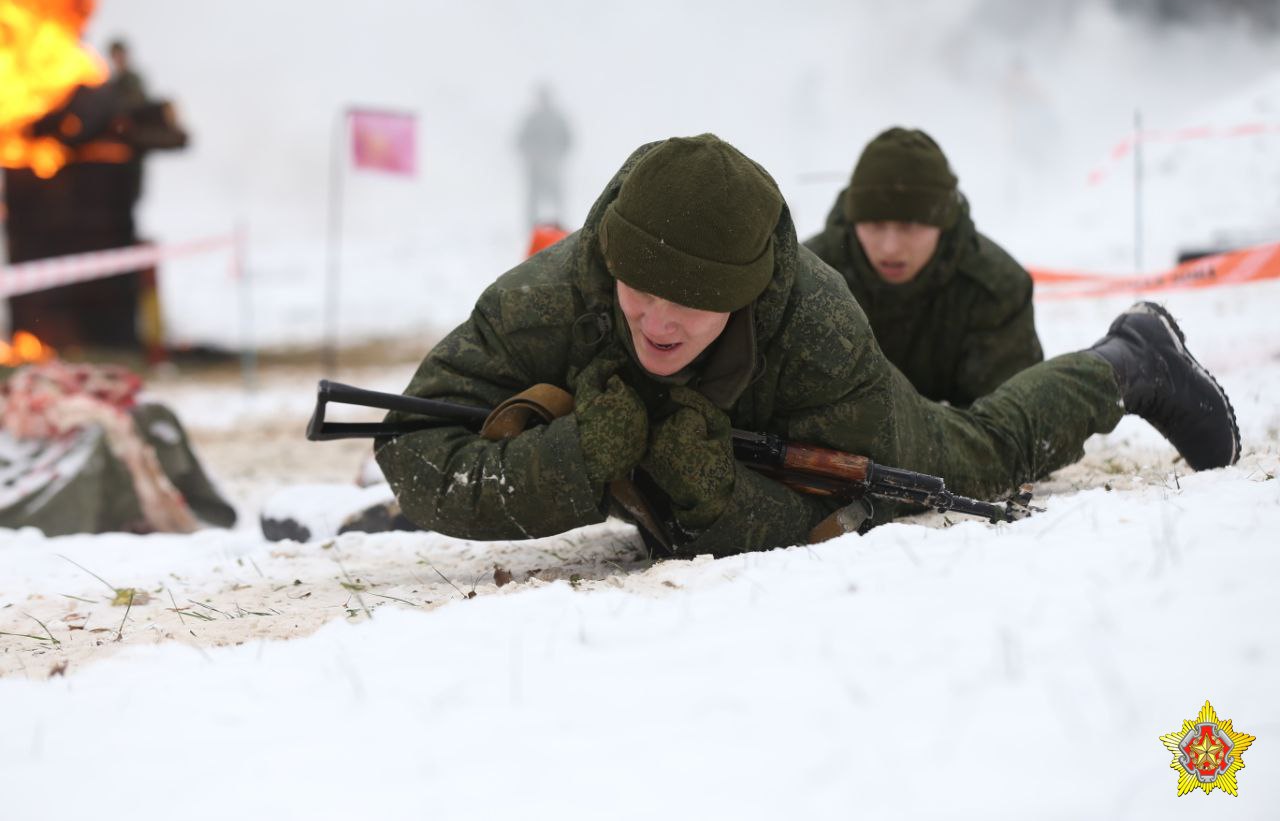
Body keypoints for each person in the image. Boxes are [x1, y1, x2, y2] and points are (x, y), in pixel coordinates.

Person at [374, 134, 1239, 558]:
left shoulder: (815, 327)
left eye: (694, 304)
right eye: (640, 291)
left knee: (980, 454)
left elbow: (843, 517)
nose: (658, 322)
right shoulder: (550, 297)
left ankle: (1130, 358)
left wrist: (717, 498)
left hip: (815, 414)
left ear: (746, 296)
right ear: (608, 260)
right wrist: (574, 457)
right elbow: (411, 445)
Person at [804, 127, 1042, 406]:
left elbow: (1012, 419)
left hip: (956, 444)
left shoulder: (995, 287)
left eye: (910, 225)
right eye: (874, 225)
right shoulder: (807, 278)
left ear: (943, 224)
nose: (890, 247)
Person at [516, 84, 573, 230]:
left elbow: (568, 140)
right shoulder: (532, 119)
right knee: (533, 199)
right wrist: (532, 154)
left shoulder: (557, 119)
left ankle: (559, 228)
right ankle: (532, 228)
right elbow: (520, 141)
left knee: (557, 199)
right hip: (535, 168)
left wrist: (557, 155)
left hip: (553, 165)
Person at [107, 38, 148, 112]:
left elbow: (139, 100)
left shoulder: (133, 79)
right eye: (116, 55)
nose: (119, 59)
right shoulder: (110, 81)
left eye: (120, 54)